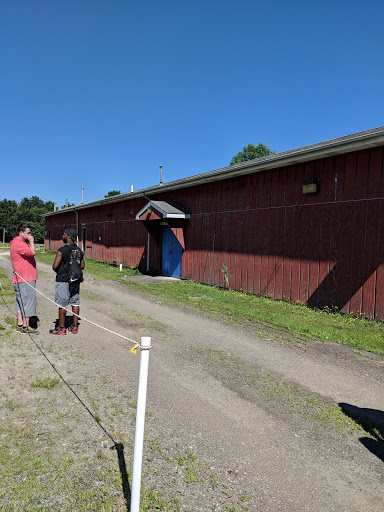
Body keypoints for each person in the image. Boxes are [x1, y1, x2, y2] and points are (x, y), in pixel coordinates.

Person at [51, 228, 85, 335]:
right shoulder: (79, 250)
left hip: (63, 280)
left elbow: (55, 266)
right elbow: (82, 266)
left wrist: (61, 271)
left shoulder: (62, 250)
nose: (62, 236)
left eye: (64, 234)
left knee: (63, 304)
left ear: (69, 237)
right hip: (75, 280)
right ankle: (75, 327)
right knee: (75, 302)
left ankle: (61, 328)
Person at [10, 224, 39, 335]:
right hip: (25, 278)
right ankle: (25, 326)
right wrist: (31, 241)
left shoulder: (15, 243)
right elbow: (32, 253)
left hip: (20, 278)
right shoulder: (19, 244)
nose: (30, 235)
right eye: (28, 233)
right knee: (28, 301)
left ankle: (20, 323)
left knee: (20, 301)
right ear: (21, 233)